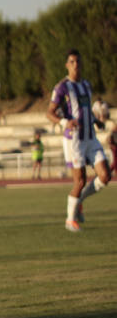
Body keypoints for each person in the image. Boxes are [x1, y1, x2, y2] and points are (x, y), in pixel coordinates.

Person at [45, 49, 110, 232]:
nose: (76, 65)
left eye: (78, 62)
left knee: (105, 176)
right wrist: (65, 122)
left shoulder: (86, 85)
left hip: (91, 137)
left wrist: (96, 121)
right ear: (67, 65)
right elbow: (49, 113)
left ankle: (79, 201)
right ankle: (70, 220)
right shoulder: (62, 87)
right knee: (80, 181)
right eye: (72, 62)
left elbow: (85, 109)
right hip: (74, 140)